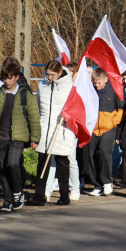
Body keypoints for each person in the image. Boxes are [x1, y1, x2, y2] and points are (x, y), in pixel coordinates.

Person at [0, 62, 40, 211]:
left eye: (10, 78)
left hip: (18, 137)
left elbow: (33, 116)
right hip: (0, 136)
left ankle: (18, 193)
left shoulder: (26, 94)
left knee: (12, 163)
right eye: (5, 78)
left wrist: (35, 138)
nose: (7, 81)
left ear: (17, 77)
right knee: (1, 168)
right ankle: (7, 200)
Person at [32, 60, 78, 205]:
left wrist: (68, 115)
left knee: (62, 162)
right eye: (47, 74)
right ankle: (39, 195)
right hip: (45, 127)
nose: (49, 77)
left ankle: (64, 195)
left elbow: (75, 106)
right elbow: (39, 106)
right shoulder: (42, 85)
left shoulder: (70, 86)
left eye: (52, 75)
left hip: (62, 128)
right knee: (42, 161)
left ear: (60, 73)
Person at [84, 68, 122, 196]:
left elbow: (121, 109)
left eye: (99, 83)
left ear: (106, 79)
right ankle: (97, 184)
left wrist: (113, 123)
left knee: (104, 152)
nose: (97, 85)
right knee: (89, 154)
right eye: (95, 83)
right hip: (92, 128)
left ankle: (107, 182)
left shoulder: (113, 90)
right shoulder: (90, 91)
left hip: (108, 127)